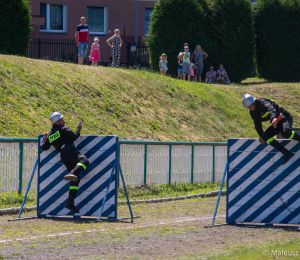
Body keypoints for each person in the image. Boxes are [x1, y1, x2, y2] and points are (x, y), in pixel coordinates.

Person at [41, 112, 90, 213]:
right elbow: (74, 137)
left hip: (63, 155)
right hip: (69, 150)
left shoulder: (50, 134)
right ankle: (72, 173)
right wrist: (78, 129)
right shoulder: (63, 128)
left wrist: (45, 137)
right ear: (57, 121)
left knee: (75, 179)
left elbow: (44, 147)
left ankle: (70, 203)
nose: (63, 120)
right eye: (62, 119)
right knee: (85, 161)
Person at [242, 94, 300, 165]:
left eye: (250, 105)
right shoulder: (253, 113)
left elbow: (272, 109)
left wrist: (273, 118)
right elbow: (257, 125)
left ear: (253, 102)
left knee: (285, 133)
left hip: (284, 117)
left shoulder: (262, 102)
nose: (249, 108)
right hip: (276, 123)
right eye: (247, 107)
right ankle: (287, 153)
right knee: (265, 137)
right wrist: (261, 136)